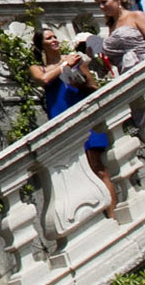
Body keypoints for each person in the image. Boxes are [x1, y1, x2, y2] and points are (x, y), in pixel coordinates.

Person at [31, 27, 113, 213]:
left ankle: (112, 215)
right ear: (41, 45)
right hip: (61, 118)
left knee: (97, 168)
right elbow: (43, 79)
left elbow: (93, 87)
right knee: (76, 172)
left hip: (82, 116)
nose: (54, 40)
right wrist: (63, 66)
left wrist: (81, 82)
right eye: (48, 38)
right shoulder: (39, 68)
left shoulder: (75, 60)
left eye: (54, 36)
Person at [94, 0, 145, 76]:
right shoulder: (112, 25)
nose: (101, 7)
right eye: (99, 4)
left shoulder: (136, 16)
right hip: (127, 73)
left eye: (104, 2)